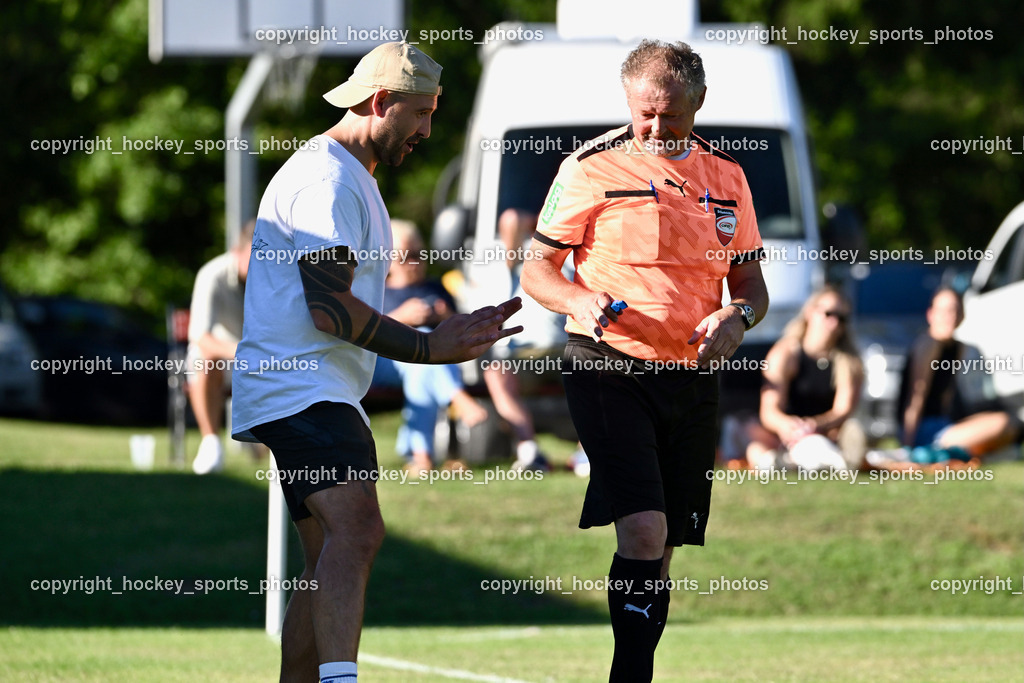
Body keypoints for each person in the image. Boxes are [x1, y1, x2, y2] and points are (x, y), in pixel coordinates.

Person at [230, 42, 521, 683]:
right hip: (300, 387)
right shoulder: (327, 179)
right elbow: (329, 310)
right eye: (418, 114)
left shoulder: (349, 175)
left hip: (319, 387)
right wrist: (428, 346)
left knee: (325, 556)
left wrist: (440, 337)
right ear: (380, 101)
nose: (425, 129)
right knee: (358, 529)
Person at [521, 40, 769, 682]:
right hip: (607, 367)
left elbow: (751, 285)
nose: (655, 127)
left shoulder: (728, 178)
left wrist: (736, 317)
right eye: (644, 114)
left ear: (700, 102)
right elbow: (537, 270)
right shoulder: (590, 168)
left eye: (670, 114)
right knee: (643, 532)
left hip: (691, 378)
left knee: (663, 549)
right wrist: (579, 296)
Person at [375, 219, 487, 472]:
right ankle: (457, 396)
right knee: (423, 344)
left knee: (422, 363)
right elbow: (363, 331)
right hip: (384, 364)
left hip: (425, 365)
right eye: (406, 256)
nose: (415, 263)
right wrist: (402, 317)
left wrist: (446, 317)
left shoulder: (436, 287)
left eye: (419, 255)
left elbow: (464, 333)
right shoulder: (378, 291)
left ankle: (421, 457)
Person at [884, 286, 1021, 465]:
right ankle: (932, 451)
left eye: (954, 310)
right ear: (930, 314)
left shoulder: (959, 348)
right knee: (1001, 424)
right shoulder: (927, 346)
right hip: (925, 429)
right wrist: (908, 448)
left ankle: (957, 453)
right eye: (944, 311)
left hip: (946, 424)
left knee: (1009, 422)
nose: (950, 316)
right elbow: (915, 400)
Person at [744, 285, 864, 471]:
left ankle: (801, 462)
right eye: (828, 314)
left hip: (824, 433)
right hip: (781, 434)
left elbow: (842, 411)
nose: (834, 323)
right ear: (810, 312)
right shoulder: (785, 354)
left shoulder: (849, 362)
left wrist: (814, 425)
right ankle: (780, 462)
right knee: (752, 440)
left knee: (838, 435)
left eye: (842, 318)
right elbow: (769, 412)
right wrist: (790, 427)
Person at [188, 219, 253, 474]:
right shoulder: (212, 274)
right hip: (228, 357)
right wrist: (246, 355)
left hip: (266, 359)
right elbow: (201, 337)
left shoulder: (277, 276)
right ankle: (210, 444)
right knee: (204, 358)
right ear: (238, 250)